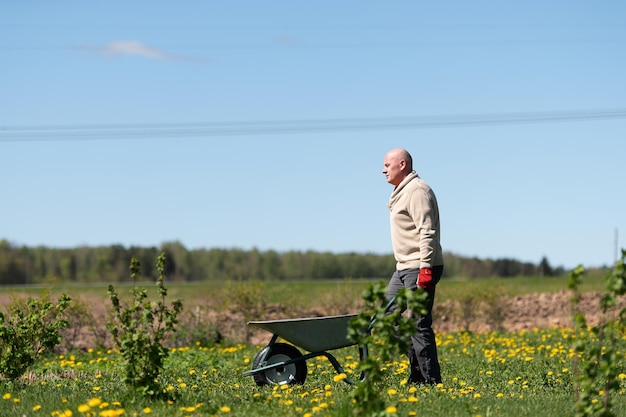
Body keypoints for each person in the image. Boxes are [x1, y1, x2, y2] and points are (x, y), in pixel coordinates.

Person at [382, 148, 444, 385]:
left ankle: (429, 380)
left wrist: (426, 268)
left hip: (420, 266)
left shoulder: (417, 191)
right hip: (404, 268)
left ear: (403, 164)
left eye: (387, 164)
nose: (383, 169)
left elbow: (427, 231)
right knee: (384, 317)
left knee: (418, 323)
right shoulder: (402, 191)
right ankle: (418, 371)